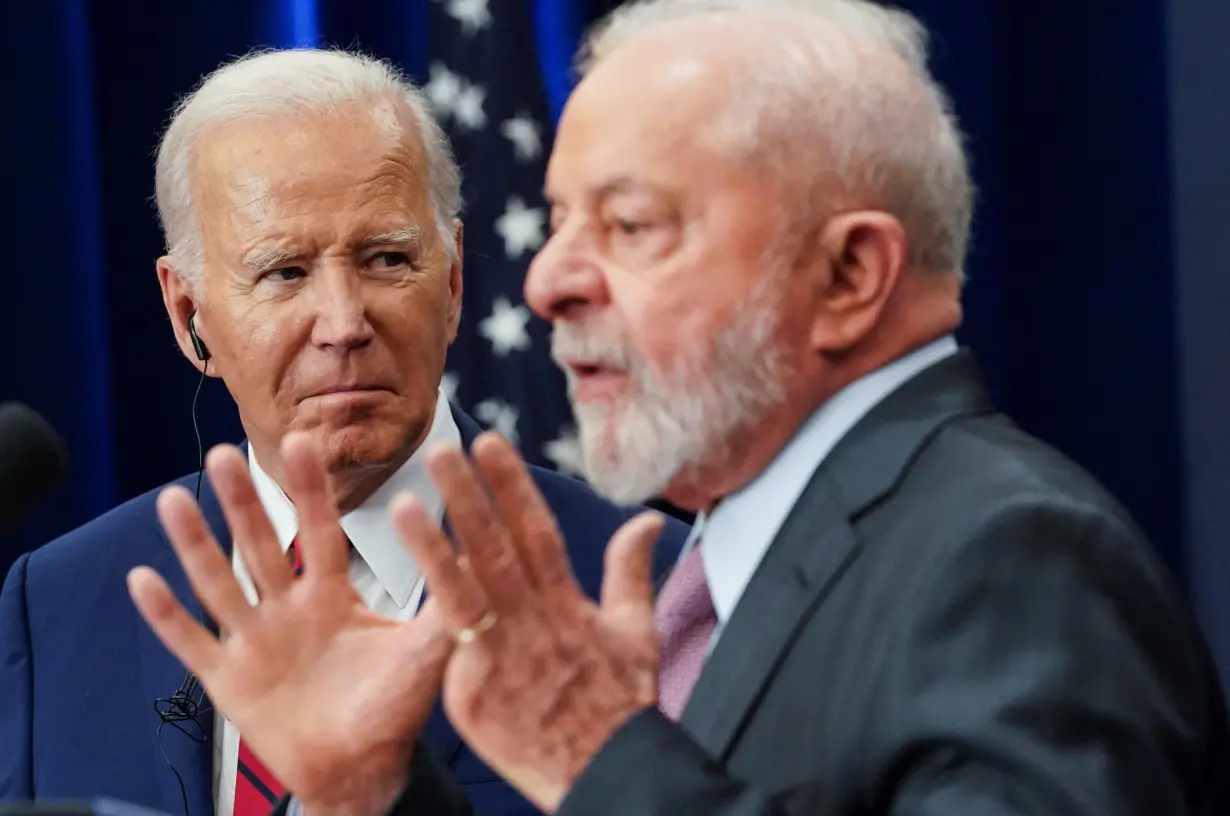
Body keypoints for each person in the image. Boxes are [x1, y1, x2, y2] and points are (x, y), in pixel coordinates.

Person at [125, 2, 1230, 815]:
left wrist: (601, 759)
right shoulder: (741, 565)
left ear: (849, 276)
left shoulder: (1016, 563)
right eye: (558, 221)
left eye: (631, 225)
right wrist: (378, 793)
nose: (549, 278)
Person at [0, 48, 690, 816]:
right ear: (188, 315)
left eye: (387, 259)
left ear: (455, 281)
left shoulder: (654, 588)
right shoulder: (57, 602)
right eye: (284, 273)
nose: (344, 324)